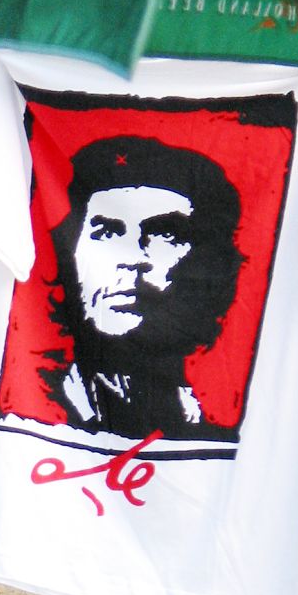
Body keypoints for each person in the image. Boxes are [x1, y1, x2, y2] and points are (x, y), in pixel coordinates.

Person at [43, 135, 244, 441]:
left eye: (165, 234)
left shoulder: (219, 426)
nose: (132, 258)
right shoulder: (35, 407)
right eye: (107, 232)